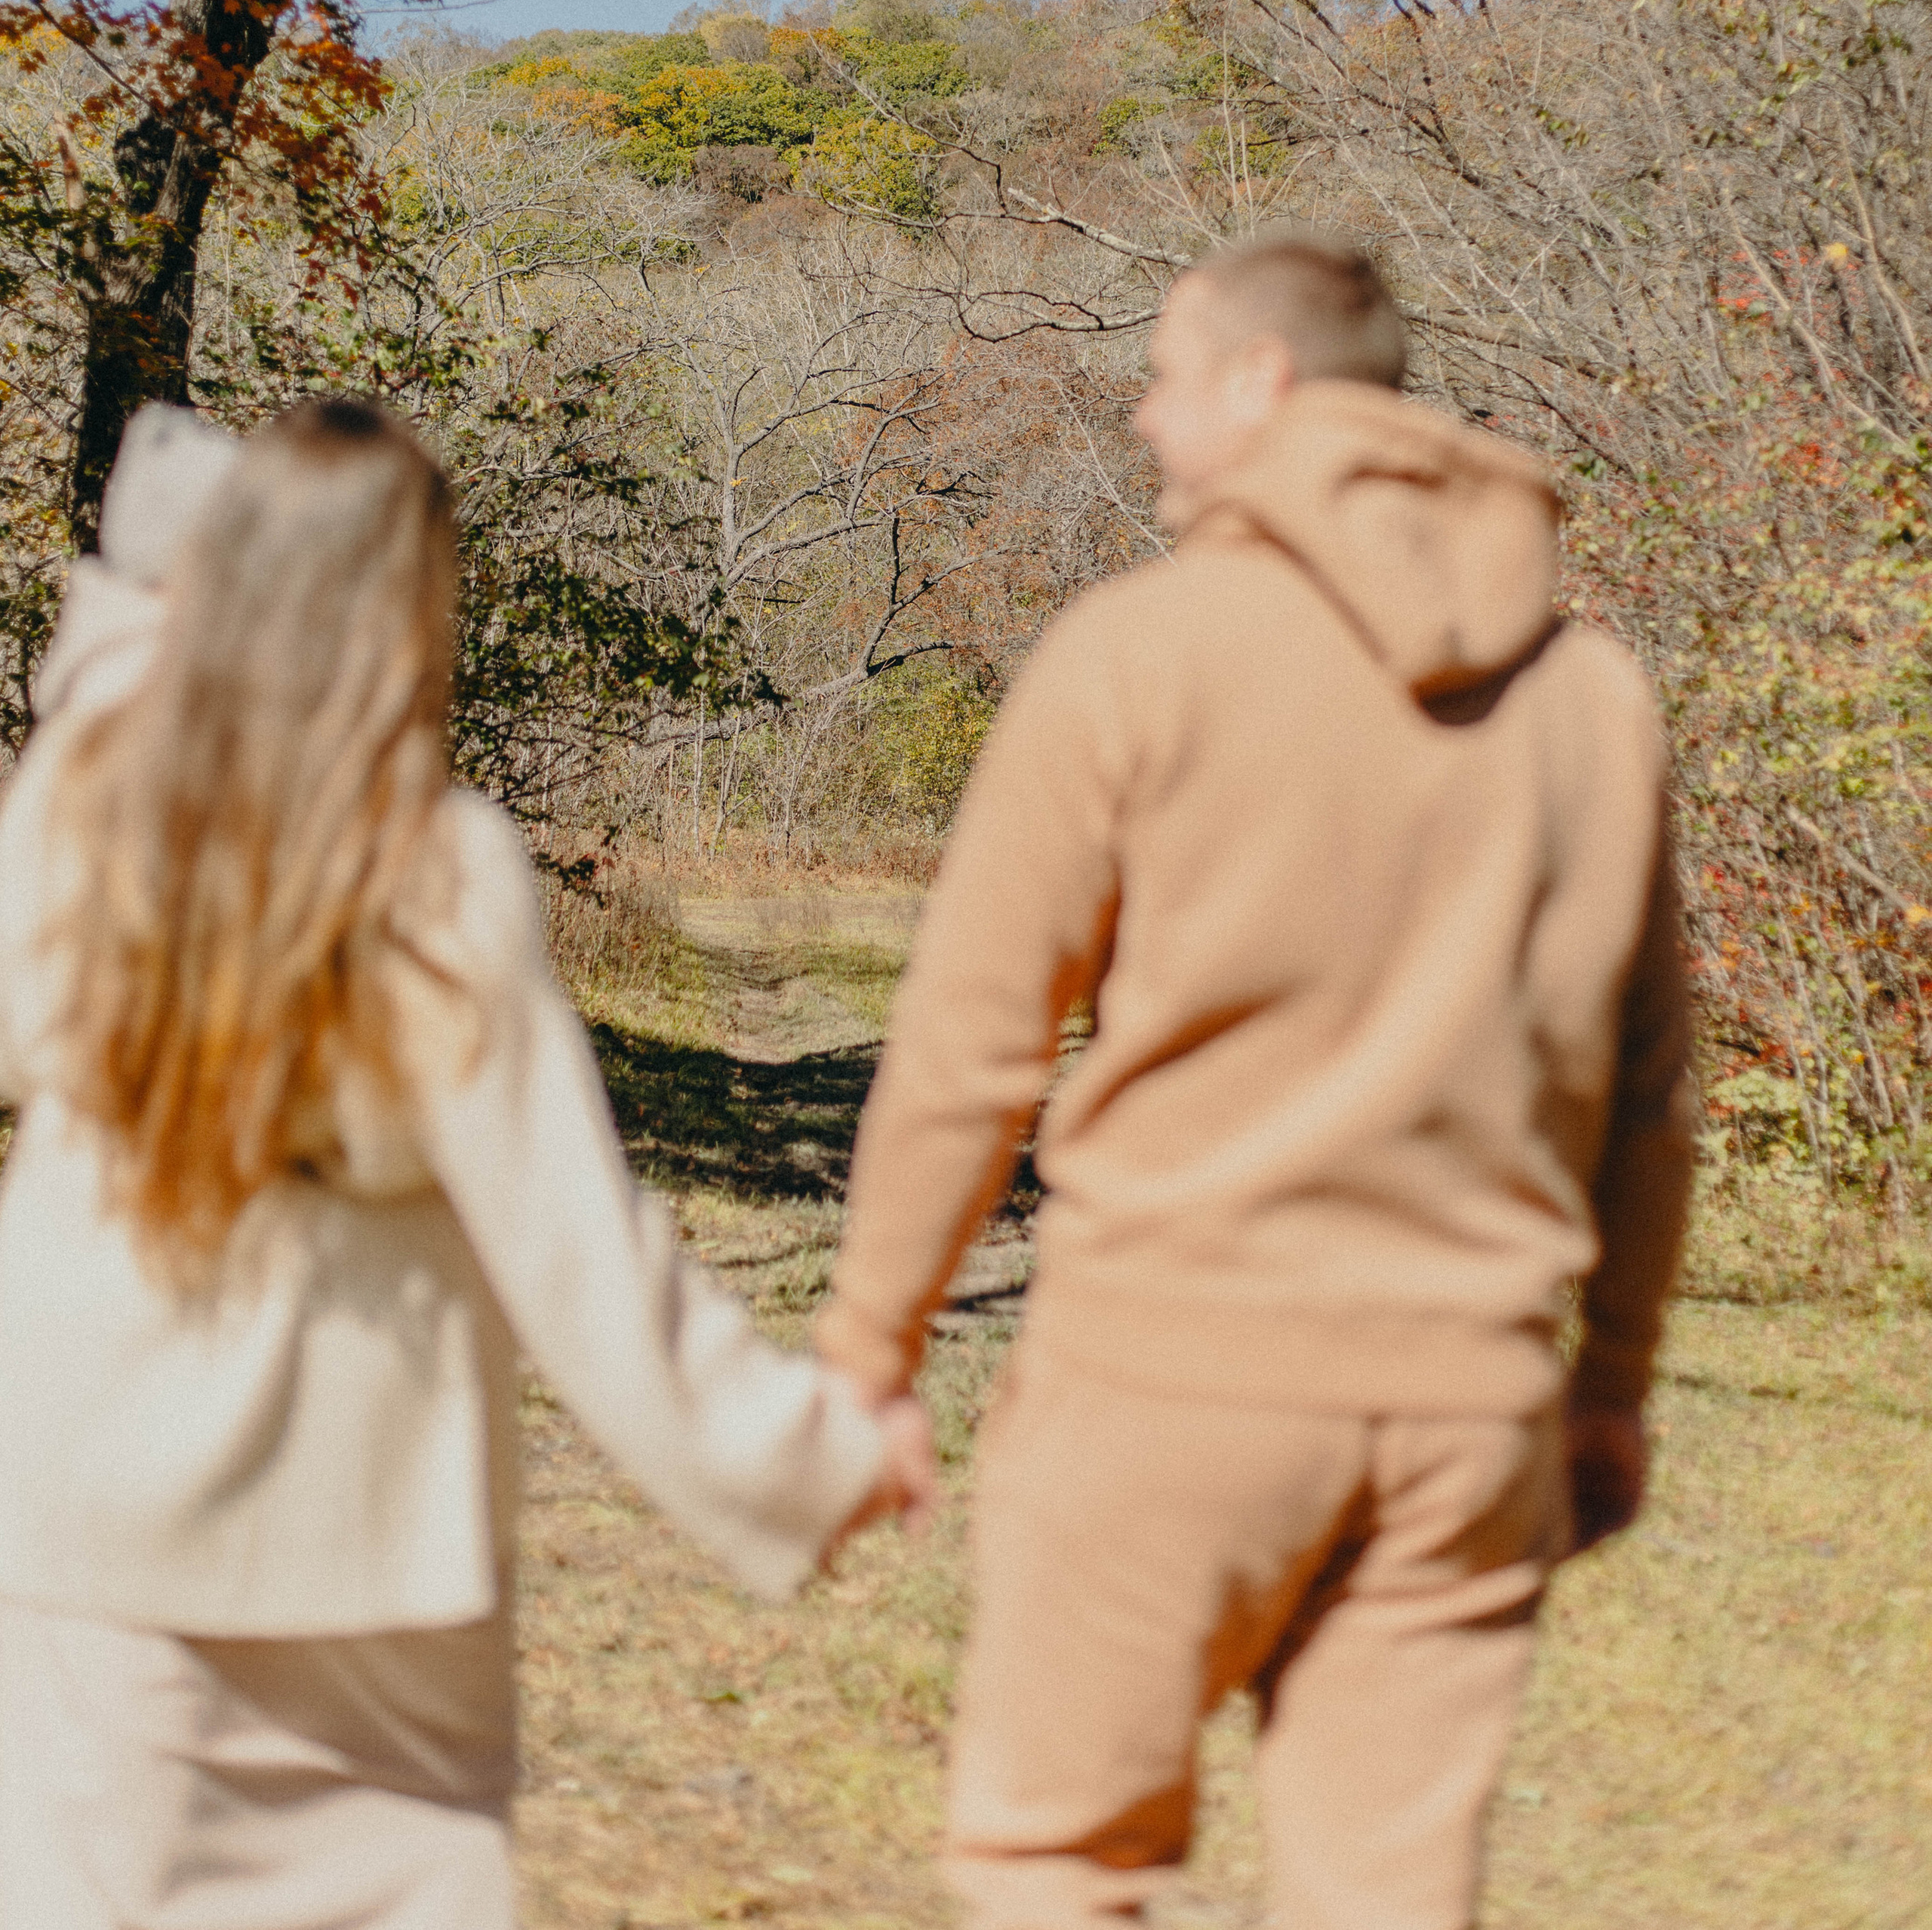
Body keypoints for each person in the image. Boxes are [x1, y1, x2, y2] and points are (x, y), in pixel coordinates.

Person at [812, 231, 1693, 1930]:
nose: (1142, 421)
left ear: (1258, 385)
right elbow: (1648, 1089)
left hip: (1171, 1368)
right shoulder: (1591, 697)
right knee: (1386, 1897)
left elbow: (970, 1045)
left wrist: (868, 1347)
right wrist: (1611, 1383)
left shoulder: (1137, 651)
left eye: (1161, 378)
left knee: (1056, 1865)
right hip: (1469, 1400)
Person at [0, 396, 932, 1930]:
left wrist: (158, 575)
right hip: (355, 1552)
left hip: (81, 1511)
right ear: (407, 611)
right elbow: (575, 1253)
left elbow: (105, 662)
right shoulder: (431, 867)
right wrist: (801, 1454)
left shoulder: (74, 802)